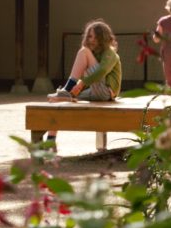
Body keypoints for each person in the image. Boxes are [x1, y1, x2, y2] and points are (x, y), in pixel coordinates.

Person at [45, 18, 122, 148]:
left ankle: (67, 89)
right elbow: (91, 78)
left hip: (106, 92)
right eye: (89, 36)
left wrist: (80, 84)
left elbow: (102, 71)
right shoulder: (93, 53)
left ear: (102, 37)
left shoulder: (110, 53)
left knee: (83, 51)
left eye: (94, 37)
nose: (91, 40)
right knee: (58, 100)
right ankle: (50, 141)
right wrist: (79, 88)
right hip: (94, 91)